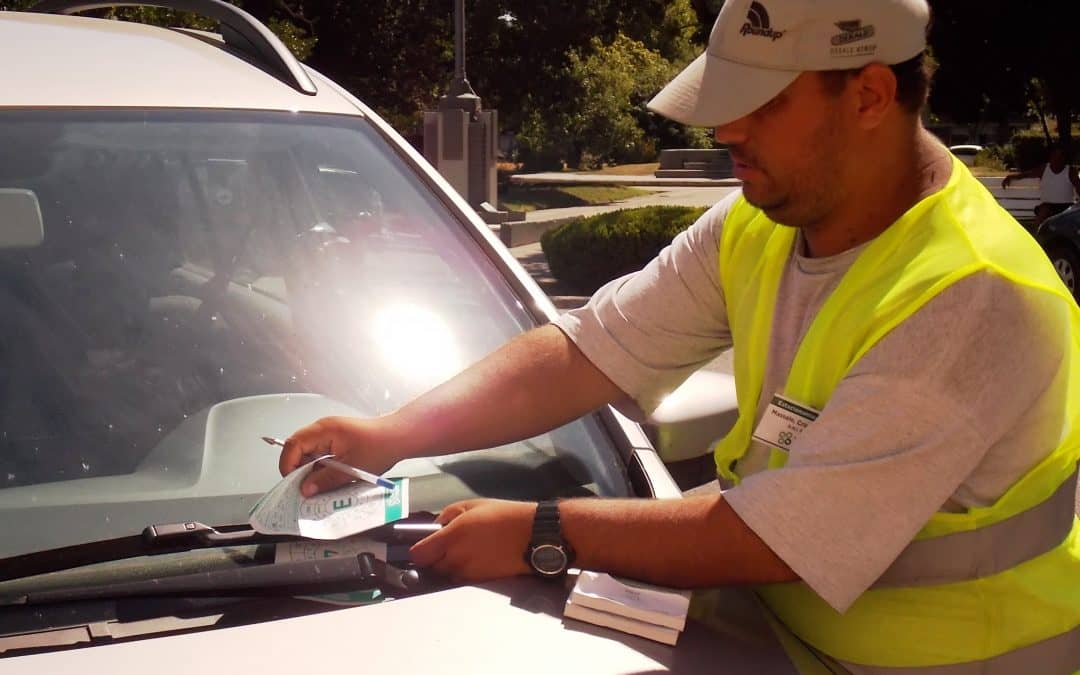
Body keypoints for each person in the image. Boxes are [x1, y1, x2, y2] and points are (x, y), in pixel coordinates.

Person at [279, 0, 1080, 672]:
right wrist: (390, 434)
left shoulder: (973, 293)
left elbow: (776, 536)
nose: (726, 129)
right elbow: (589, 350)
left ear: (869, 95)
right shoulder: (757, 224)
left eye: (762, 101)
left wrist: (541, 531)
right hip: (782, 642)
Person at [1002, 144, 1080, 227]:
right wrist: (1011, 177)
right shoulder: (1044, 169)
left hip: (1066, 206)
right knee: (1044, 210)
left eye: (1060, 156)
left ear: (1064, 158)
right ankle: (1037, 236)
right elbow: (1026, 174)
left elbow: (1079, 187)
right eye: (1055, 156)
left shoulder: (1070, 171)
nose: (1057, 159)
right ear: (1051, 157)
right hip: (1047, 207)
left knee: (1070, 217)